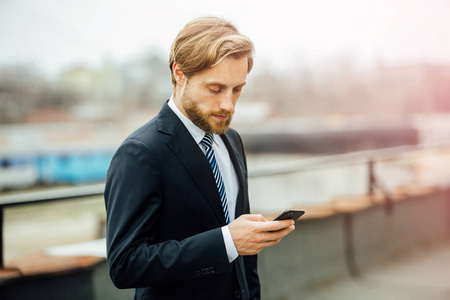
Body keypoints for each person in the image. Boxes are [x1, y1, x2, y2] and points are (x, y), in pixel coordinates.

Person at [104, 16, 295, 300]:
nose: (227, 104)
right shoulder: (140, 152)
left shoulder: (231, 139)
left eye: (237, 89)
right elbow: (125, 265)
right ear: (179, 74)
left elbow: (244, 259)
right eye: (215, 89)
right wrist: (227, 241)